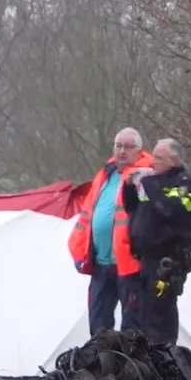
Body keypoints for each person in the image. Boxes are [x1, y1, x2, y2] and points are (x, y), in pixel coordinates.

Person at [68, 128, 153, 336]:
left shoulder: (146, 175)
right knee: (98, 324)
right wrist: (79, 250)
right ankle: (101, 366)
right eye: (119, 146)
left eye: (128, 147)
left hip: (131, 264)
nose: (122, 151)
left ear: (139, 150)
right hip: (101, 262)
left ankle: (130, 367)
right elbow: (87, 215)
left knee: (132, 328)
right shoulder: (105, 174)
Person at [120, 138, 191, 346]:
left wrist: (146, 183)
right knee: (143, 316)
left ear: (173, 160)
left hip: (169, 260)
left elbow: (170, 211)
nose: (152, 162)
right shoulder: (156, 182)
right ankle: (149, 360)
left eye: (158, 157)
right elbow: (133, 208)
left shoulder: (187, 184)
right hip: (146, 260)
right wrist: (130, 186)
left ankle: (166, 357)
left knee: (160, 317)